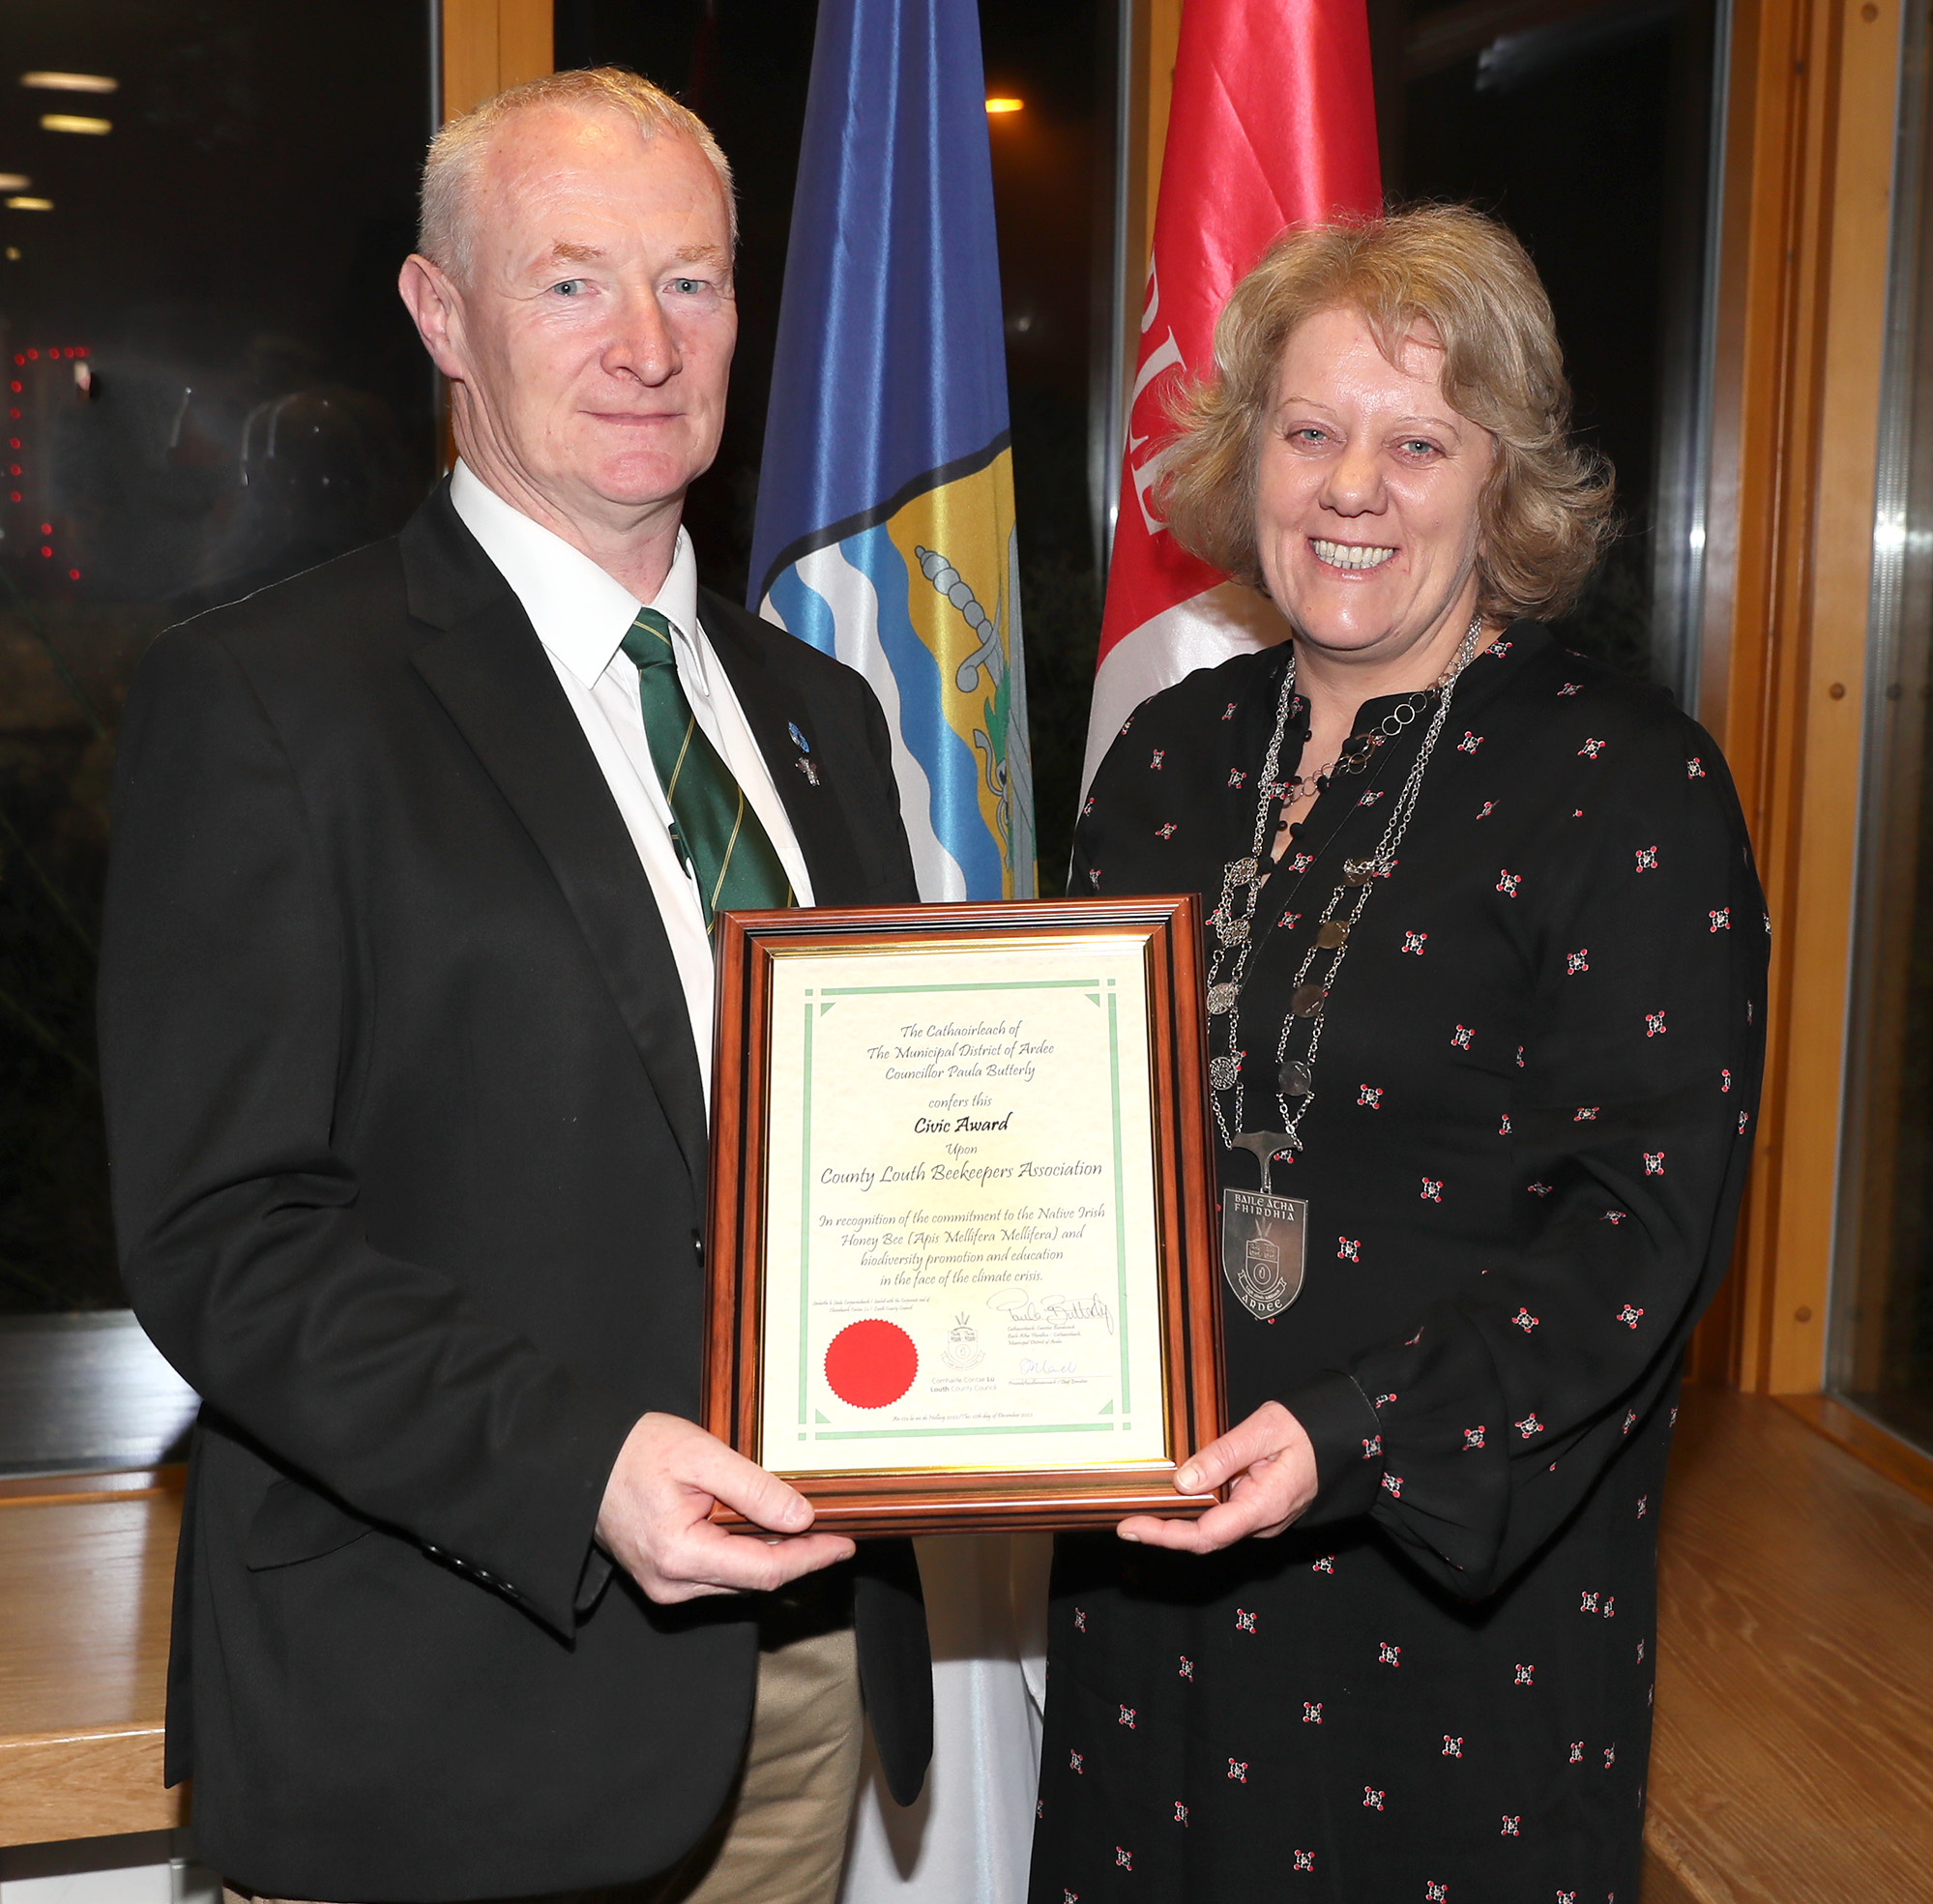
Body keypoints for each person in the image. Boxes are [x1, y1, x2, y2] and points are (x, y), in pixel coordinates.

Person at [98, 69, 930, 1904]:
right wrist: (584, 1469)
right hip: (447, 1707)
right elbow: (225, 1238)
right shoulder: (267, 704)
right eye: (571, 282)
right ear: (441, 314)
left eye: (691, 282)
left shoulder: (821, 718)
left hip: (795, 1684)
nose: (647, 344)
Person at [1028, 205, 1767, 1902]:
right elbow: (1070, 1127)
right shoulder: (1165, 755)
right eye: (1310, 431)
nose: (1352, 486)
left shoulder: (1624, 784)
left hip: (1446, 1614)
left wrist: (1347, 1430)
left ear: (1502, 482)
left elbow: (1637, 1230)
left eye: (1418, 442)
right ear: (1249, 457)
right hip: (1149, 1566)